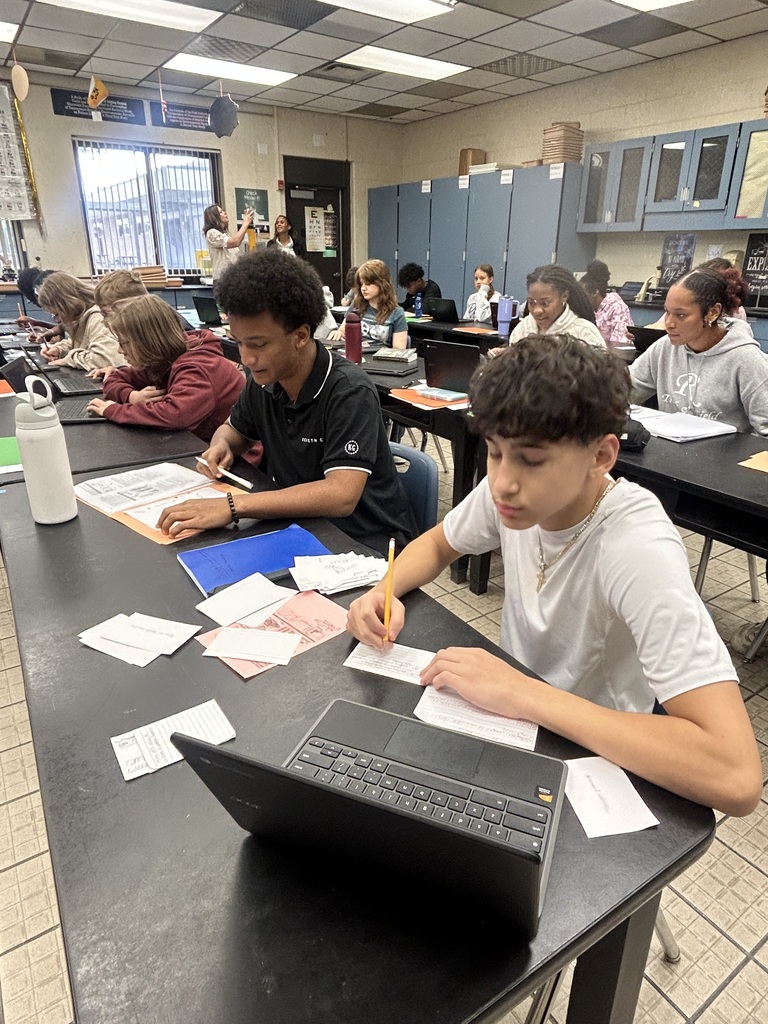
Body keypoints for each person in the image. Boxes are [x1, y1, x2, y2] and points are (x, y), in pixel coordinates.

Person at [347, 335, 761, 816]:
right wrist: (384, 590)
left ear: (602, 456)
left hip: (600, 751)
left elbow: (736, 776)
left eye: (532, 459)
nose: (501, 481)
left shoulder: (636, 545)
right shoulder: (514, 493)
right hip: (514, 726)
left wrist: (525, 694)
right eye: (495, 451)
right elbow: (441, 542)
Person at [156, 249, 417, 554]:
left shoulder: (348, 391)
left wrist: (233, 505)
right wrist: (221, 446)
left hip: (364, 541)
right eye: (239, 342)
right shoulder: (263, 380)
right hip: (303, 527)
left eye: (259, 344)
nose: (246, 358)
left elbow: (341, 495)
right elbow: (233, 431)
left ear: (301, 335)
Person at [85, 295, 245, 442]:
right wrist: (131, 396)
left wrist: (114, 410)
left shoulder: (199, 367)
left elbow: (175, 415)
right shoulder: (160, 360)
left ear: (147, 341)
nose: (120, 350)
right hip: (196, 444)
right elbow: (116, 378)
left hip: (235, 460)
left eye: (124, 343)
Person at [630, 268, 768, 434]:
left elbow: (765, 430)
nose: (669, 323)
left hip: (724, 457)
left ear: (712, 313)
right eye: (667, 312)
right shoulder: (665, 347)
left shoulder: (746, 359)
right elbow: (624, 391)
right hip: (668, 453)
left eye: (680, 315)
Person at [35, 272, 124, 371]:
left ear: (67, 305)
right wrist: (59, 349)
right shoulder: (82, 317)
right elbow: (82, 342)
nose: (59, 320)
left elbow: (105, 359)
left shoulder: (98, 317)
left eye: (57, 314)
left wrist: (68, 359)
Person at [510, 265, 604, 347]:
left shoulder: (584, 332)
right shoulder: (523, 329)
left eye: (545, 303)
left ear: (564, 297)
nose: (537, 310)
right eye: (531, 303)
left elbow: (600, 366)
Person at [330, 260, 409, 349]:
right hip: (357, 356)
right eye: (361, 284)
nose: (363, 288)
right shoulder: (357, 305)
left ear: (381, 284)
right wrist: (338, 333)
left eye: (368, 284)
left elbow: (398, 350)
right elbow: (343, 331)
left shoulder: (397, 313)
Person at [579, 260, 633, 348]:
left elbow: (619, 345)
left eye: (583, 294)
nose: (580, 298)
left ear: (595, 293)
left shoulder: (618, 308)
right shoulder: (588, 310)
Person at [203, 204, 254, 281]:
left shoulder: (225, 235)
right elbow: (235, 242)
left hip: (233, 278)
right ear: (214, 217)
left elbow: (238, 240)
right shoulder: (211, 233)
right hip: (222, 280)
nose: (225, 213)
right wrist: (246, 222)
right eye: (221, 212)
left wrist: (246, 222)